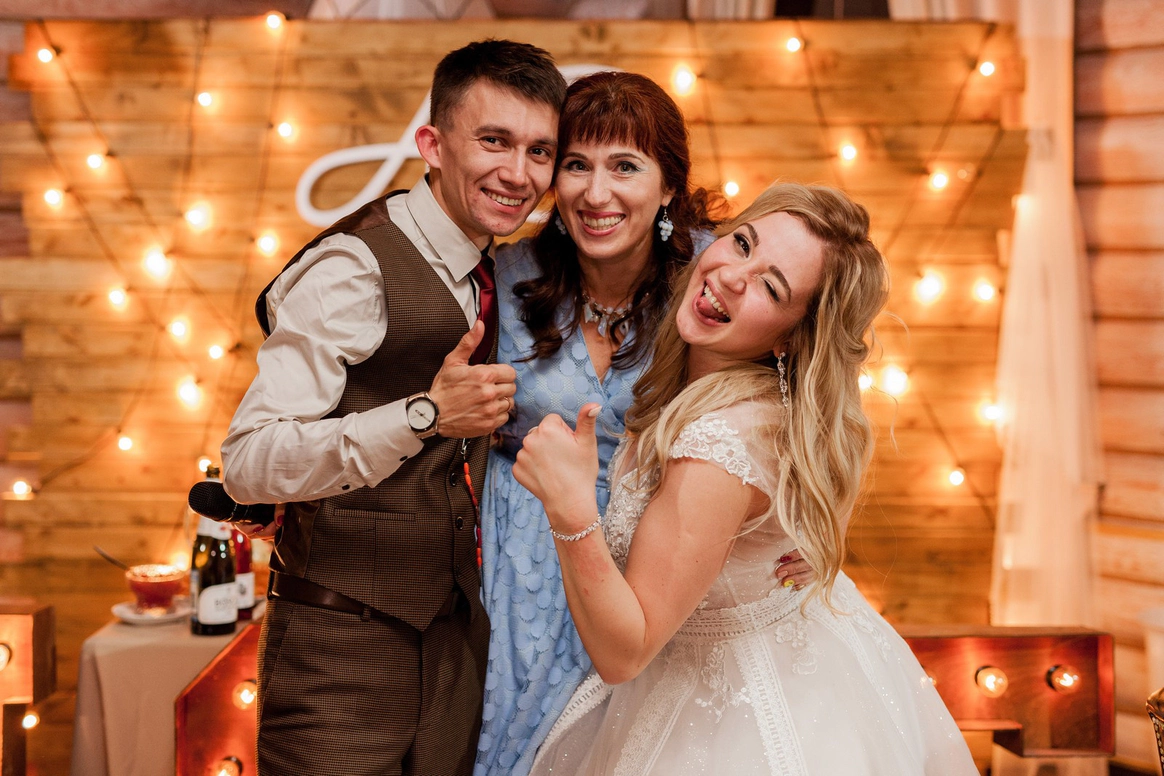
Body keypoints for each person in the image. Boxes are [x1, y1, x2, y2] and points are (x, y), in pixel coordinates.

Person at [512, 182, 979, 774]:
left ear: (791, 337)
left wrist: (570, 508)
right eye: (741, 243)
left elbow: (624, 654)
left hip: (745, 716)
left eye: (771, 286)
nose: (732, 276)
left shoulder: (721, 444)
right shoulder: (727, 392)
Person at [219, 40, 566, 776]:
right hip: (339, 647)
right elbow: (247, 461)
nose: (519, 173)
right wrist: (423, 416)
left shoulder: (495, 266)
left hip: (452, 649)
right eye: (494, 141)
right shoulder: (354, 267)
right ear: (432, 145)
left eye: (539, 150)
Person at [475, 72, 812, 776]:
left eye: (625, 166)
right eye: (576, 164)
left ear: (668, 188)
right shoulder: (502, 274)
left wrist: (805, 517)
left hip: (653, 554)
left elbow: (808, 388)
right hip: (516, 566)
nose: (596, 193)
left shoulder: (718, 275)